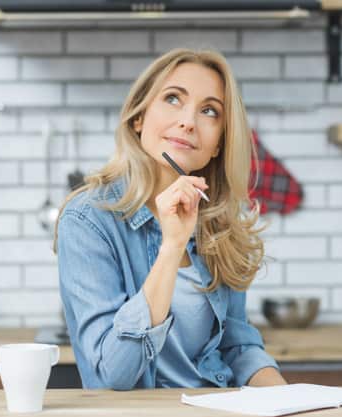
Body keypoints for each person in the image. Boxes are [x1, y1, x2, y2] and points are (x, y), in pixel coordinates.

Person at [53, 48, 287, 390]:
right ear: (139, 117)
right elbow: (113, 375)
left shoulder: (220, 221)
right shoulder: (88, 220)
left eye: (209, 111)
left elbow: (238, 346)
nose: (189, 121)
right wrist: (172, 245)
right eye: (173, 99)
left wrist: (289, 398)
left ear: (218, 143)